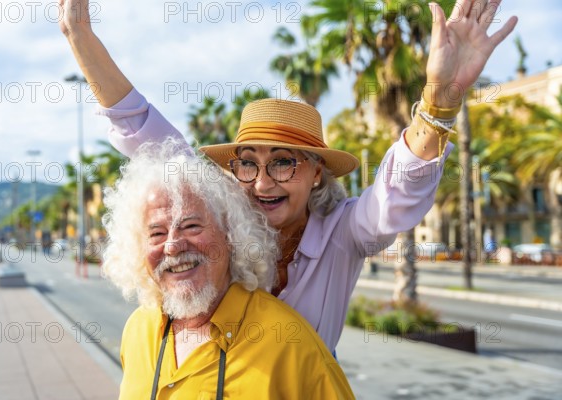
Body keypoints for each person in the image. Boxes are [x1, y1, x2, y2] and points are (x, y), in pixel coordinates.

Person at [59, 0, 517, 353]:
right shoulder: (219, 214)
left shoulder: (343, 232)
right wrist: (81, 37)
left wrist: (439, 102)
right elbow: (145, 133)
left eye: (282, 161)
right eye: (247, 162)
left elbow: (394, 198)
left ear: (317, 172)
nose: (261, 182)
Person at [102, 140, 355, 399]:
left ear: (230, 234)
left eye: (191, 226)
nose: (172, 246)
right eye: (156, 233)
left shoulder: (292, 345)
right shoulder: (138, 330)